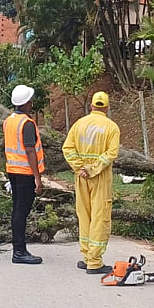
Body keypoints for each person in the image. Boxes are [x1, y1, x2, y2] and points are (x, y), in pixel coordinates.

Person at [62, 91, 121, 274]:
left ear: (92, 106)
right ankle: (94, 262)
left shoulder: (79, 124)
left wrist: (80, 168)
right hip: (99, 178)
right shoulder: (112, 128)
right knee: (99, 217)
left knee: (84, 215)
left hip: (81, 177)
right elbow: (111, 154)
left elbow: (68, 148)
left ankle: (87, 256)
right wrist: (93, 169)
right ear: (107, 107)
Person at [3, 84, 44, 265]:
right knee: (21, 212)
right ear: (26, 103)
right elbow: (29, 151)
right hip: (25, 173)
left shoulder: (9, 121)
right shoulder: (26, 124)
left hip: (13, 171)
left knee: (17, 211)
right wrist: (37, 178)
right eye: (30, 100)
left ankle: (19, 249)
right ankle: (19, 251)